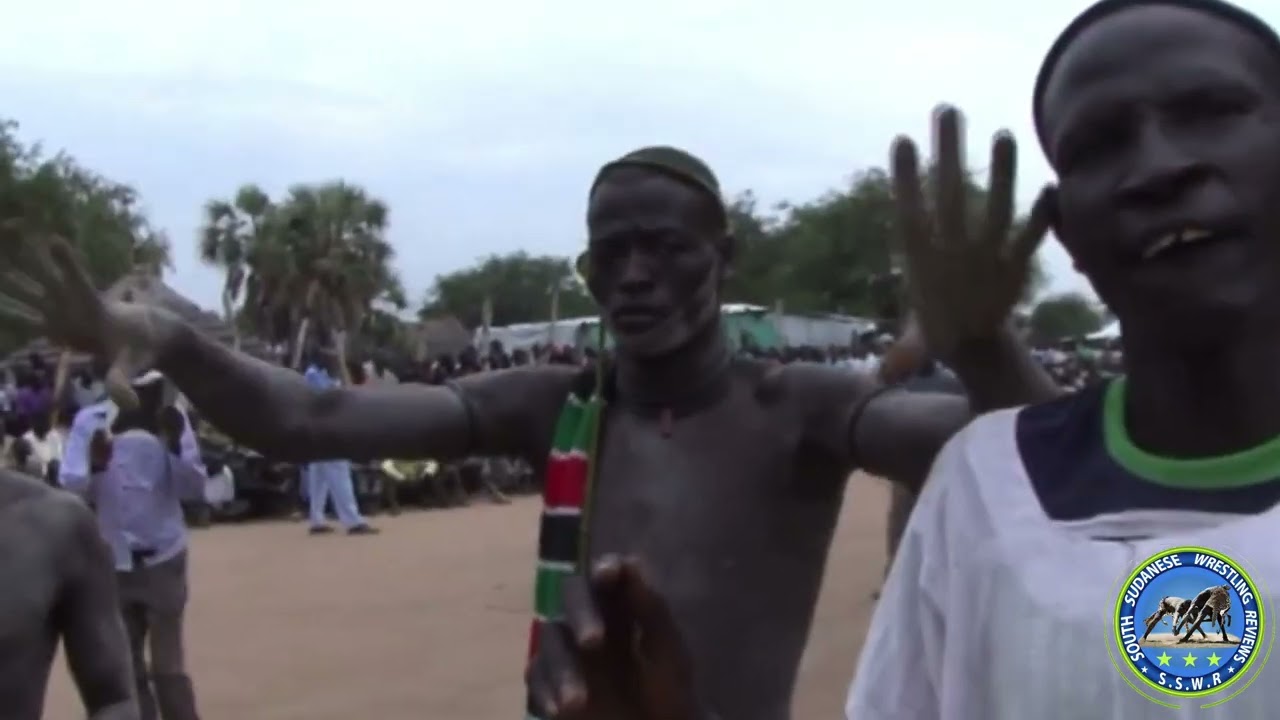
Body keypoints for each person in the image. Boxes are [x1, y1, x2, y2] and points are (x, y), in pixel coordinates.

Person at [0, 128, 1054, 720]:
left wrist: (980, 338)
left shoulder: (800, 410)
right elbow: (309, 416)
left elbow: (1030, 444)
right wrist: (172, 341)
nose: (634, 276)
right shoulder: (556, 402)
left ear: (724, 260)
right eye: (609, 256)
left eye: (666, 248)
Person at [845, 1, 1280, 718]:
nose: (1158, 168)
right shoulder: (984, 482)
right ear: (1067, 233)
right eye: (1098, 146)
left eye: (1211, 110)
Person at [61, 371, 208, 720]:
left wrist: (174, 446)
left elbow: (193, 490)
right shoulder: (90, 421)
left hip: (164, 557)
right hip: (113, 561)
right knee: (128, 668)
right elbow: (69, 487)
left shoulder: (170, 420)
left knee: (166, 667)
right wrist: (95, 464)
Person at [301, 353, 378, 535]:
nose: (333, 360)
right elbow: (333, 397)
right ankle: (353, 521)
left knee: (318, 477)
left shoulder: (319, 374)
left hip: (317, 431)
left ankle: (316, 520)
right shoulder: (313, 375)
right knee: (339, 473)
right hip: (327, 431)